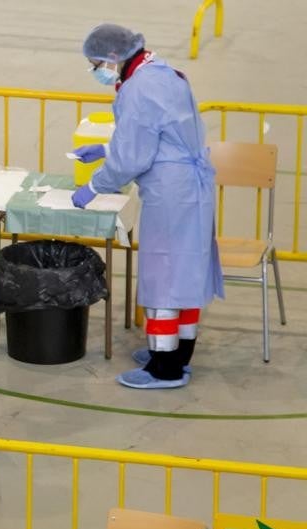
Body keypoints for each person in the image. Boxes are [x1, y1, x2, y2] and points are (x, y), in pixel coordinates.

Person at [71, 24, 222, 389]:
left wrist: (95, 185)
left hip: (171, 195)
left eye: (96, 64)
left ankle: (165, 367)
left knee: (165, 278)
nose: (97, 72)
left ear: (112, 58)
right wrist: (107, 149)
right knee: (184, 272)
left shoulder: (139, 88)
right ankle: (174, 353)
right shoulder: (161, 71)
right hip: (187, 188)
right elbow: (160, 132)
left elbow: (133, 157)